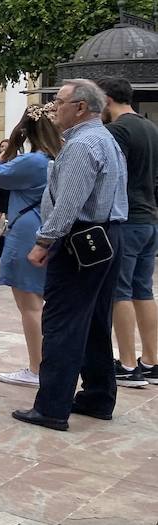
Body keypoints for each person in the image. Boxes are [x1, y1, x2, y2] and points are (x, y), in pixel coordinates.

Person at [14, 80, 130, 431]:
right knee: (94, 321)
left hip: (82, 240)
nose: (54, 109)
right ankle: (97, 396)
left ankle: (52, 406)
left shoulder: (83, 144)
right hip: (106, 237)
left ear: (80, 107)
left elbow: (69, 202)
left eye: (59, 102)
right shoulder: (105, 138)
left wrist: (44, 241)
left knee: (62, 322)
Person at [0, 104, 61, 388]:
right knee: (40, 302)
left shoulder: (31, 162)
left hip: (26, 230)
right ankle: (44, 364)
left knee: (29, 305)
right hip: (46, 228)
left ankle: (37, 367)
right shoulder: (58, 157)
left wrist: (12, 143)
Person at [98, 76, 158, 388]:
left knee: (120, 292)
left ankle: (127, 363)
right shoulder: (150, 127)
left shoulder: (115, 131)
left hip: (127, 219)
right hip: (149, 218)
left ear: (107, 100)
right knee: (142, 290)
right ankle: (152, 360)